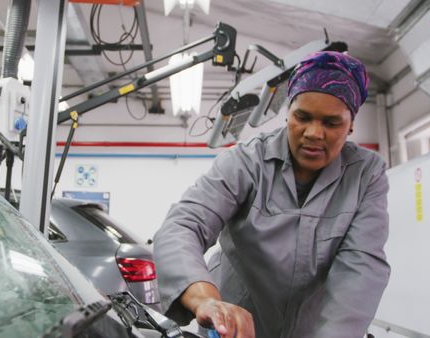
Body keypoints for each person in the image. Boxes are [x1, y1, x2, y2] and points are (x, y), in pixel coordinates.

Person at [153, 51, 390, 338]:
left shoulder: (366, 174)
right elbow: (183, 225)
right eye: (302, 117)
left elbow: (360, 268)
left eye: (331, 123)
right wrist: (206, 299)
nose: (314, 133)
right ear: (288, 113)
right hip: (234, 330)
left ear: (351, 124)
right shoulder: (246, 162)